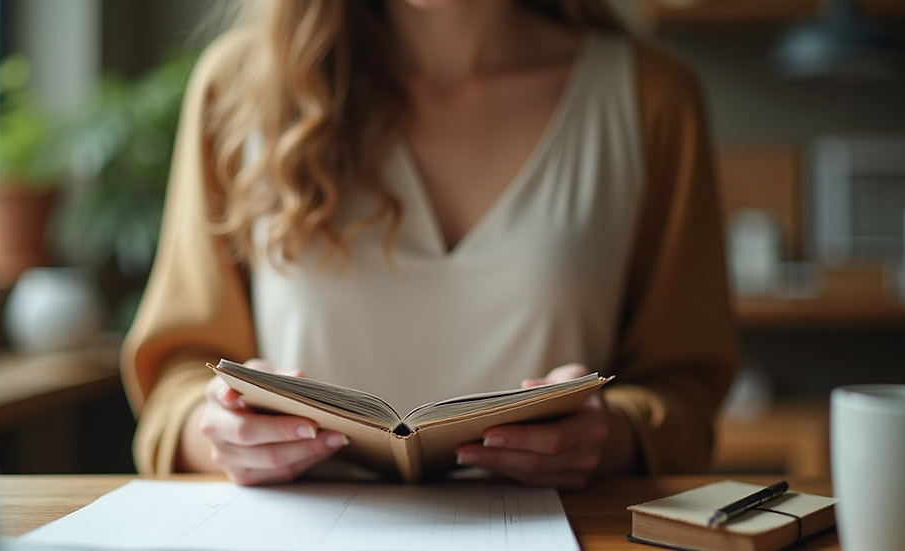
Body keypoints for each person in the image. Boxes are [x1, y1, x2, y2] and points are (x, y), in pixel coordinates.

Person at [121, 0, 738, 489]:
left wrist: (613, 435)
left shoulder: (652, 98)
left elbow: (685, 388)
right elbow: (178, 378)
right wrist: (218, 432)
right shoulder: (237, 88)